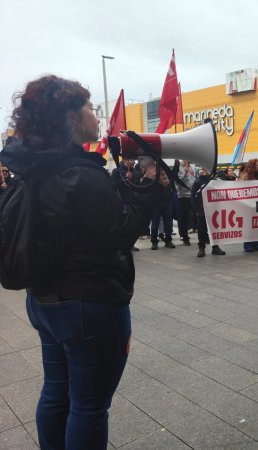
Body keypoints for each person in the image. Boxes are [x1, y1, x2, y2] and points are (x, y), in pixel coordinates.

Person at [0, 75, 170, 449]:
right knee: (90, 407)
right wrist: (151, 193)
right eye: (91, 108)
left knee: (56, 393)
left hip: (45, 299)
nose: (97, 115)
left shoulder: (37, 167)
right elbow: (118, 233)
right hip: (90, 302)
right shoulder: (80, 172)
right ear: (73, 119)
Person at [191, 167, 226, 256]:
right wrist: (196, 210)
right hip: (201, 209)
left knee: (214, 228)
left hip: (213, 209)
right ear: (203, 168)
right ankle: (201, 248)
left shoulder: (214, 180)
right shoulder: (198, 182)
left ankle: (215, 247)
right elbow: (193, 197)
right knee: (201, 229)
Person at [239, 158, 258, 252]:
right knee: (249, 225)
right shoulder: (245, 177)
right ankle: (248, 246)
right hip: (248, 205)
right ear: (252, 166)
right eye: (257, 165)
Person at [174, 159, 196, 246]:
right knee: (184, 218)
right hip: (183, 196)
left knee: (193, 216)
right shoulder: (178, 167)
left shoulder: (192, 167)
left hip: (192, 194)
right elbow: (177, 182)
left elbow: (193, 179)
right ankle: (185, 237)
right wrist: (185, 173)